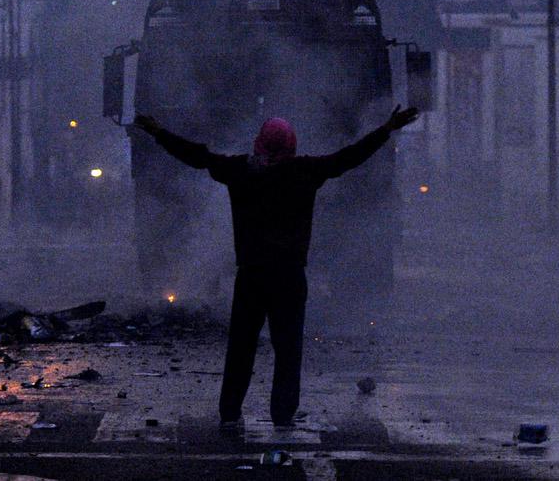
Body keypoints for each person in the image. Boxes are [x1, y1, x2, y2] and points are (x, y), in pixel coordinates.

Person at [133, 105, 419, 427]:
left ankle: (230, 411)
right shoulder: (305, 172)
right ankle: (282, 414)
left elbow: (199, 157)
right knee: (288, 350)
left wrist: (158, 133)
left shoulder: (241, 171)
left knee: (241, 347)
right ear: (291, 144)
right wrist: (387, 128)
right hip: (289, 276)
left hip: (251, 275)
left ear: (259, 142)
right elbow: (348, 157)